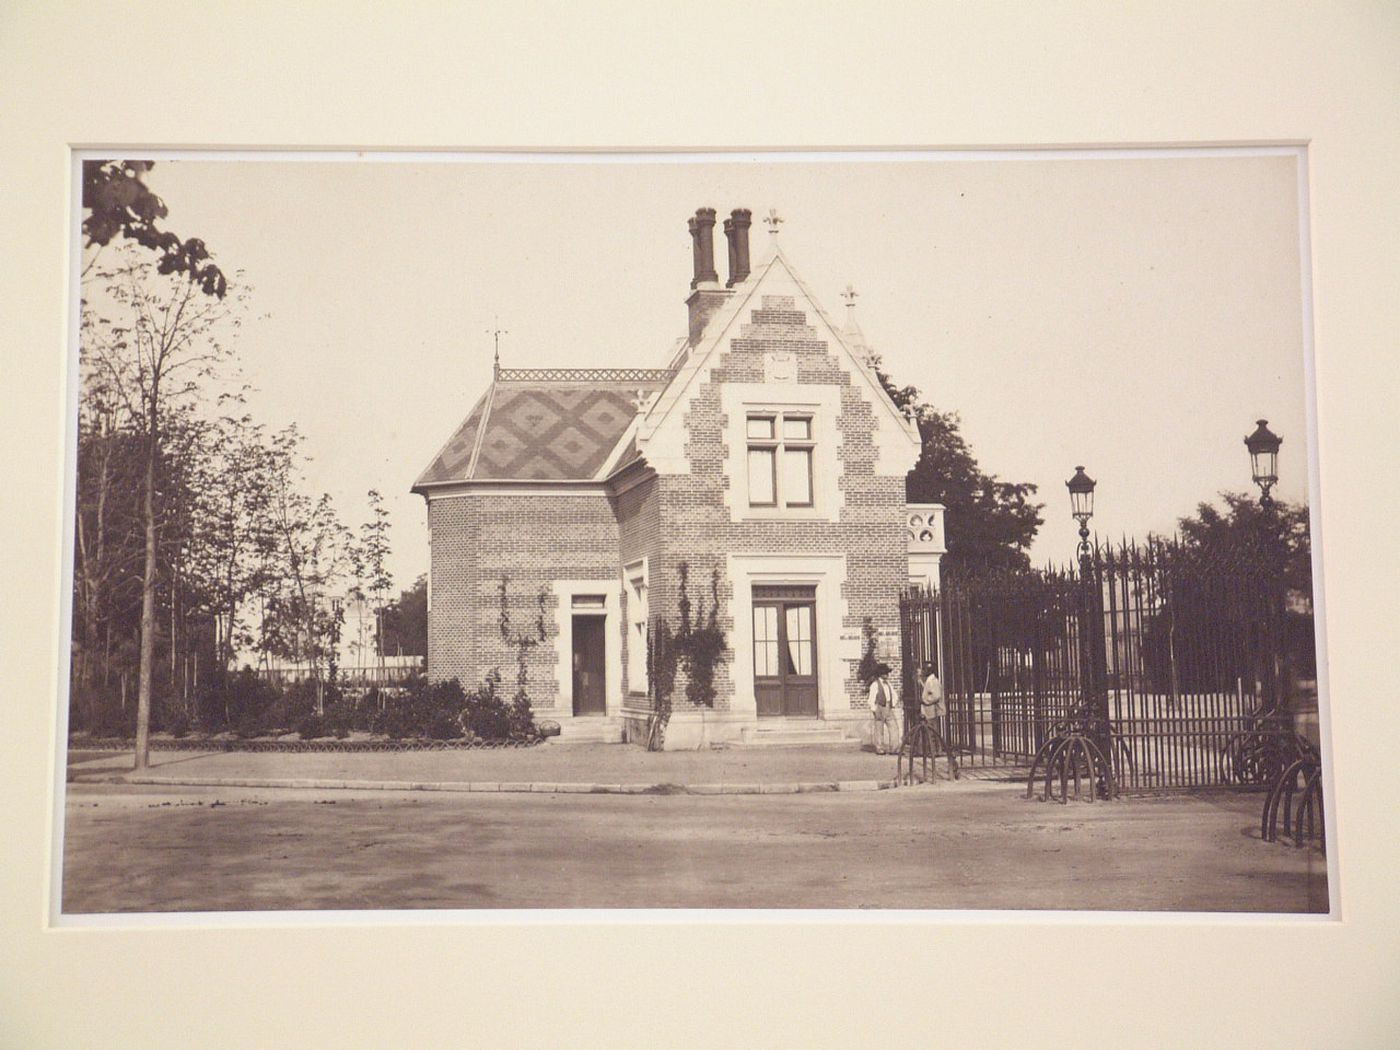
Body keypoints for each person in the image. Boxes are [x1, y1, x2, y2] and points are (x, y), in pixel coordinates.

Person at [868, 662, 899, 755]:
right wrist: (874, 709)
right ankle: (879, 748)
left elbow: (894, 695)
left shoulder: (888, 684)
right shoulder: (875, 685)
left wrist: (893, 703)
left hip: (888, 707)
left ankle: (894, 748)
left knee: (894, 727)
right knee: (879, 729)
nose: (887, 675)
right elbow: (871, 699)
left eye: (887, 673)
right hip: (879, 707)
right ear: (880, 674)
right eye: (885, 673)